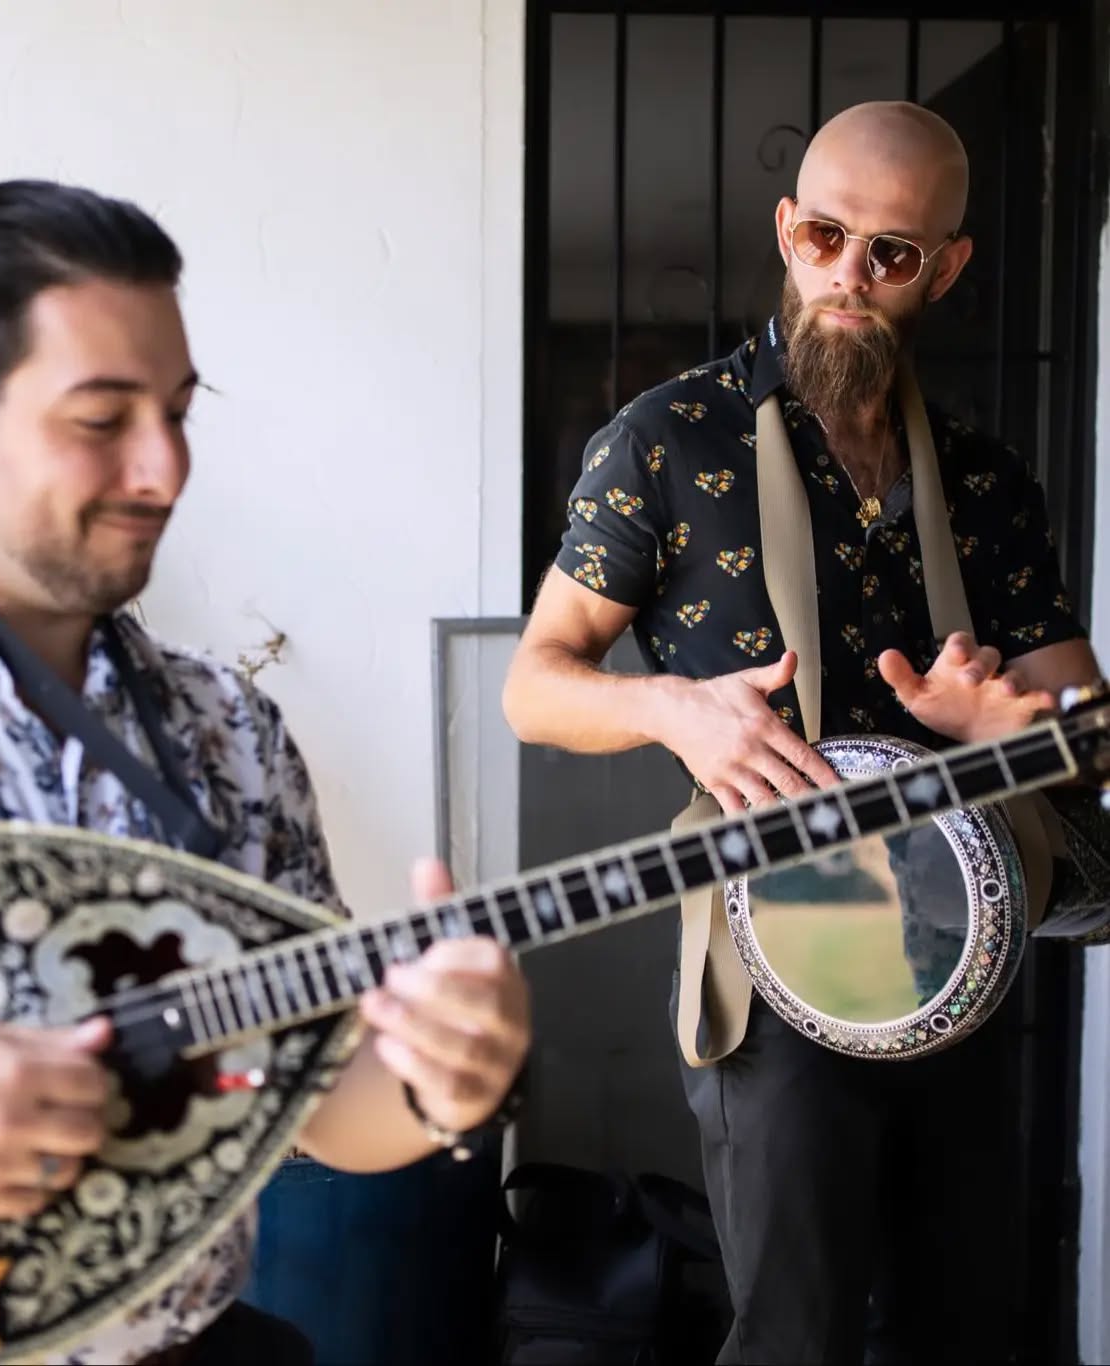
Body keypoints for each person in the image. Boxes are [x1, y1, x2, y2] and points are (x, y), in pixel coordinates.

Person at [0, 180, 531, 1366]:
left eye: (176, 411)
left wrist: (441, 1081)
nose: (164, 467)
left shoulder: (229, 733)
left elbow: (319, 1100)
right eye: (103, 419)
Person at [502, 101, 1101, 1365]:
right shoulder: (666, 439)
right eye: (826, 236)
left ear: (945, 267)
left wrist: (1012, 730)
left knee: (959, 1329)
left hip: (963, 954)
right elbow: (534, 685)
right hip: (774, 955)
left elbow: (1087, 730)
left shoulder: (987, 480)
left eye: (892, 251)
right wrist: (673, 708)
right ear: (786, 230)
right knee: (795, 1332)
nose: (849, 275)